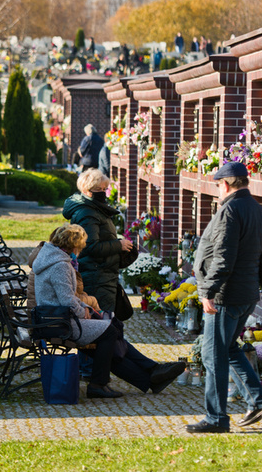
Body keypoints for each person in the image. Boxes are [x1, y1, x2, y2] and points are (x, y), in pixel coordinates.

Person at [32, 224, 185, 397]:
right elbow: (66, 299)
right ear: (74, 245)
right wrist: (84, 312)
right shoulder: (61, 265)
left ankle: (150, 379)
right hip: (60, 322)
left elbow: (67, 297)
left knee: (108, 340)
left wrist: (86, 308)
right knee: (110, 333)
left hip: (56, 318)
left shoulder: (51, 257)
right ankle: (99, 384)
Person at [186, 161, 262, 433]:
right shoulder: (258, 212)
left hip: (226, 297)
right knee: (227, 349)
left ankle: (216, 418)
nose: (218, 191)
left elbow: (223, 257)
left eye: (218, 186)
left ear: (225, 184)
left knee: (212, 355)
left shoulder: (230, 211)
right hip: (246, 294)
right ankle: (258, 400)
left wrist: (208, 292)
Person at [62, 169, 132, 313]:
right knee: (104, 321)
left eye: (104, 189)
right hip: (97, 276)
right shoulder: (87, 212)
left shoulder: (94, 208)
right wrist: (119, 245)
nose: (102, 192)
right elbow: (90, 246)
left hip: (103, 274)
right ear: (87, 190)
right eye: (97, 189)